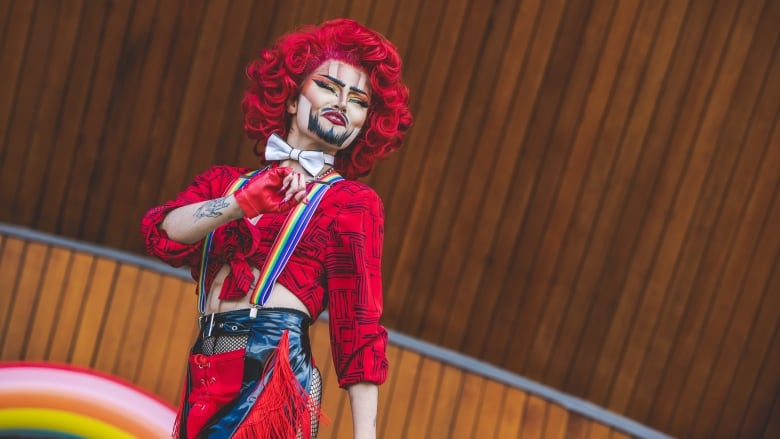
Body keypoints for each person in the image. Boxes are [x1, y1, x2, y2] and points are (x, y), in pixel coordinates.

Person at [140, 18, 412, 439]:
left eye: (358, 99)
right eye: (328, 86)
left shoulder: (352, 204)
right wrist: (238, 204)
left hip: (274, 368)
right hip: (205, 367)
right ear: (290, 99)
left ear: (364, 124)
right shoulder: (223, 183)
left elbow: (359, 332)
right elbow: (162, 232)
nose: (342, 102)